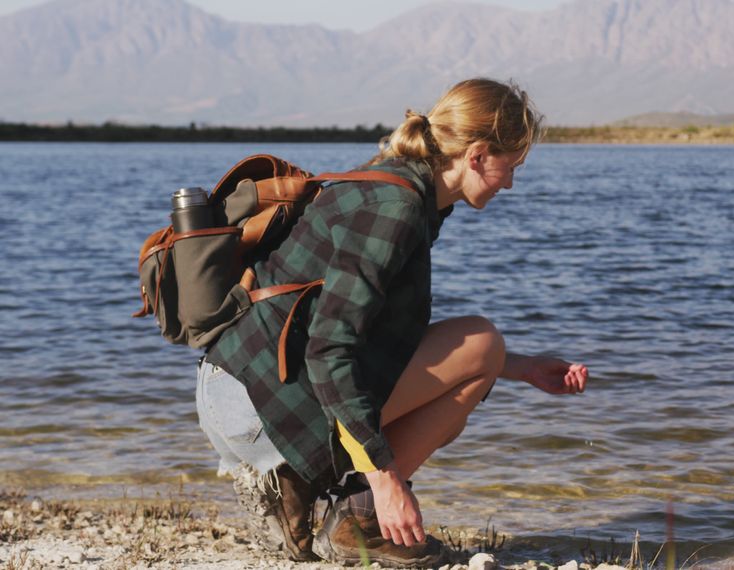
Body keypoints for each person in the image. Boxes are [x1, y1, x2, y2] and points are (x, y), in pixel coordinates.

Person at [195, 78, 589, 566]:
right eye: (513, 166)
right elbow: (329, 350)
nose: (511, 182)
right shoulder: (397, 208)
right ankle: (350, 513)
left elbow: (370, 340)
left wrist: (522, 368)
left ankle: (314, 492)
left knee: (482, 358)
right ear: (479, 154)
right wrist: (386, 483)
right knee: (480, 341)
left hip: (244, 387)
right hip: (257, 406)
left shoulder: (405, 188)